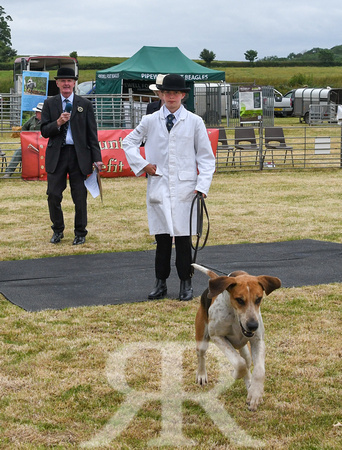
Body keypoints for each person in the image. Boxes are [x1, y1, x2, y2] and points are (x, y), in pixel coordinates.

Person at [123, 74, 216, 301]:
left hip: (186, 188)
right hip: (159, 184)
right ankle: (160, 282)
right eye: (167, 93)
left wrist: (202, 185)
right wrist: (144, 165)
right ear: (161, 95)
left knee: (184, 238)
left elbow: (206, 157)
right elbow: (128, 143)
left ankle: (186, 282)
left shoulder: (194, 122)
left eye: (175, 93)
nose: (171, 97)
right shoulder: (150, 120)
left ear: (182, 95)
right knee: (162, 238)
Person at [40, 67, 104, 245]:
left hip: (79, 156)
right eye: (63, 81)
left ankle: (80, 232)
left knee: (79, 197)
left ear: (74, 83)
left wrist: (97, 158)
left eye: (70, 80)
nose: (66, 83)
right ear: (58, 83)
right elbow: (44, 131)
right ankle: (58, 230)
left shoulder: (85, 104)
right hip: (57, 155)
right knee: (53, 194)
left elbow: (92, 134)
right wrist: (58, 122)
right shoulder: (49, 103)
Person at [2, 102, 43, 178]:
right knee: (19, 151)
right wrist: (26, 138)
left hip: (44, 145)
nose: (36, 113)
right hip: (30, 144)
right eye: (36, 111)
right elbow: (24, 128)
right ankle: (8, 172)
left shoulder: (48, 121)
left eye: (38, 112)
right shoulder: (33, 119)